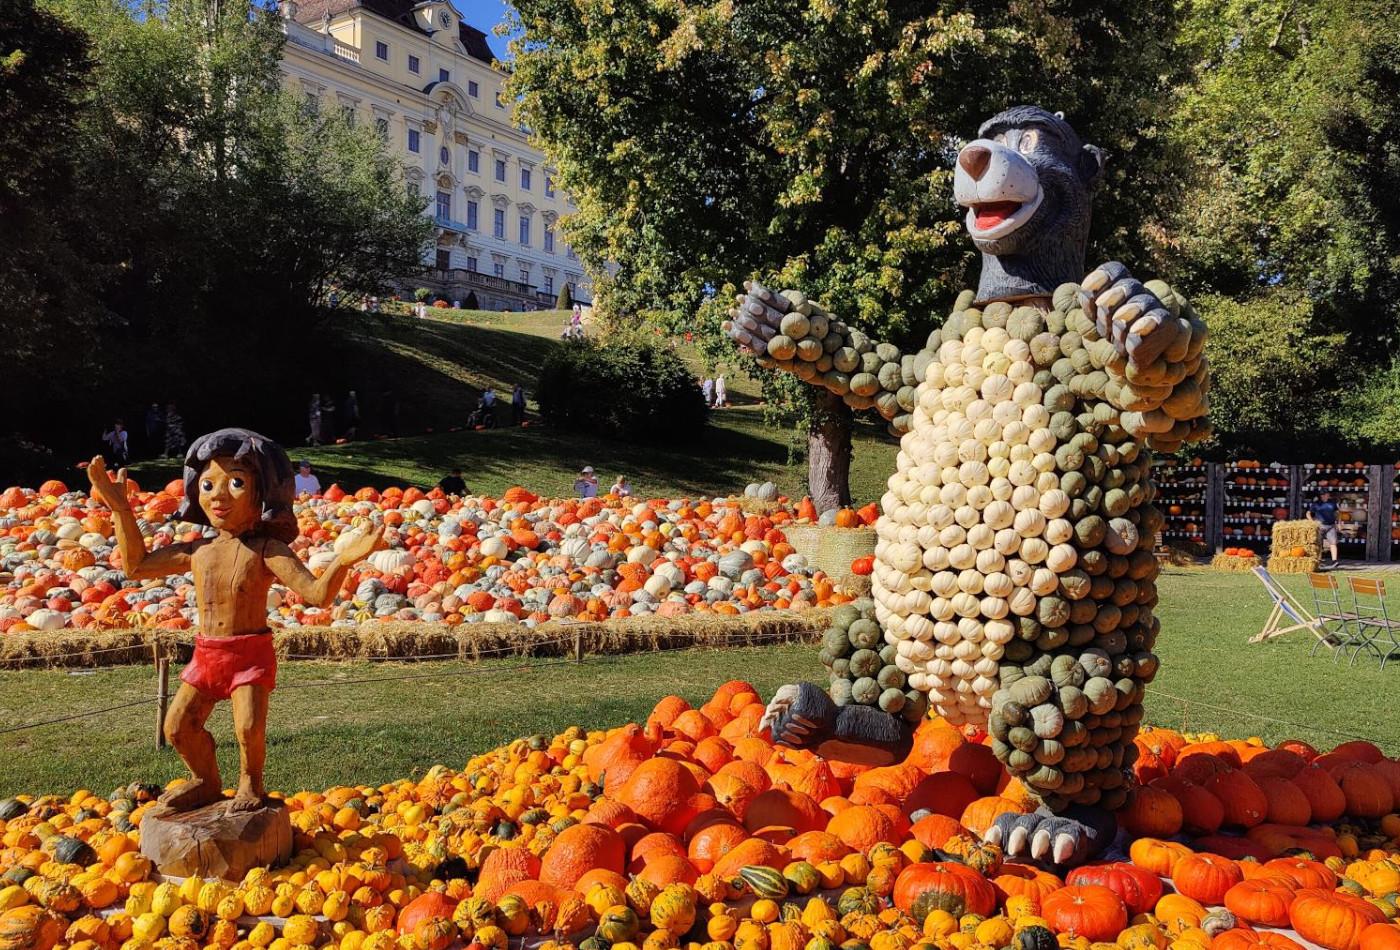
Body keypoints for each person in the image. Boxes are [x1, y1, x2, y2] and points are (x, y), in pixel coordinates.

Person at [87, 430, 383, 811]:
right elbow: (136, 566)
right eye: (208, 483)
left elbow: (317, 595)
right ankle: (205, 781)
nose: (219, 495)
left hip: (249, 655)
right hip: (208, 653)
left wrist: (343, 561)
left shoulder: (265, 549)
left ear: (264, 494)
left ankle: (251, 785)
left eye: (237, 482)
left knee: (247, 727)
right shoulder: (199, 550)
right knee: (177, 728)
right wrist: (121, 510)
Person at [1309, 490, 1340, 568]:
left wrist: (1339, 522)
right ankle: (1318, 560)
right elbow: (1308, 513)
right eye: (1322, 495)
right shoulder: (1316, 504)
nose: (1323, 496)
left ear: (1328, 495)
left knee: (1333, 543)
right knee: (1319, 544)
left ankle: (1335, 561)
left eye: (1325, 494)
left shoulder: (1332, 503)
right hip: (1320, 526)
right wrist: (1312, 522)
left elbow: (1337, 513)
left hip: (1331, 525)